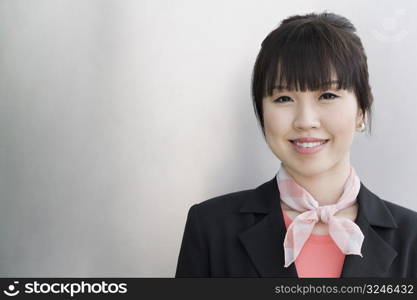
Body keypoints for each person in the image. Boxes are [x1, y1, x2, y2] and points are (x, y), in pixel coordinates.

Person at [175, 12, 417, 278]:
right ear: (262, 112)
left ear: (361, 111)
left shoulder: (411, 236)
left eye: (327, 95)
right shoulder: (211, 226)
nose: (305, 121)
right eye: (283, 98)